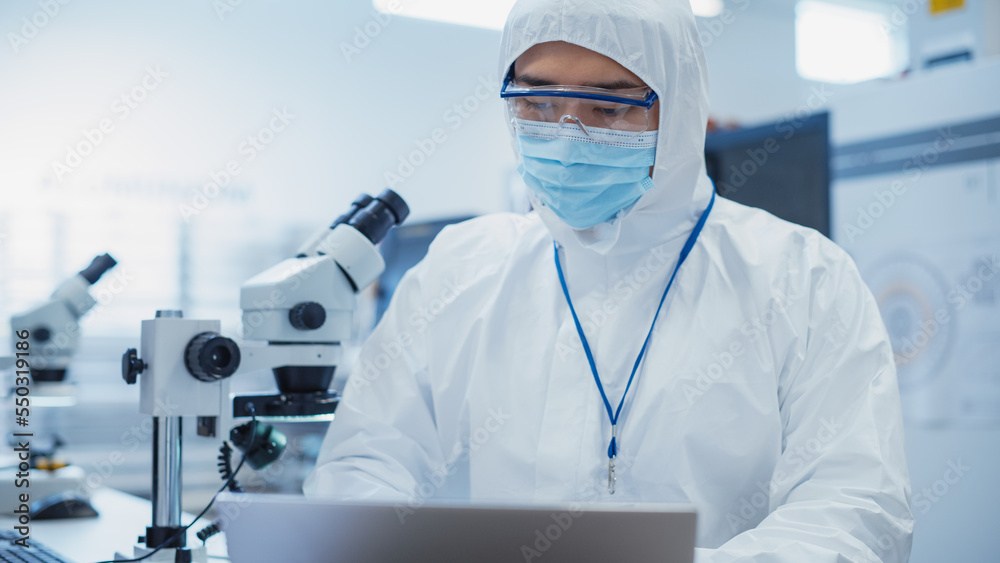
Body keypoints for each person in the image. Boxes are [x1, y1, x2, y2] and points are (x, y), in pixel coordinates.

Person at [305, 0, 914, 560]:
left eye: (609, 107)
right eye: (538, 103)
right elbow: (364, 460)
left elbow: (855, 511)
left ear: (677, 110)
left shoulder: (803, 279)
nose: (567, 140)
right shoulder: (463, 268)